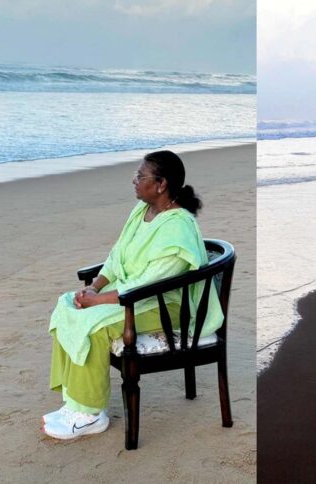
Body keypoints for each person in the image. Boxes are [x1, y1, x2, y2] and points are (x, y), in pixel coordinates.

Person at [44, 150, 223, 440]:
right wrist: (95, 286)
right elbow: (117, 256)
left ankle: (89, 415)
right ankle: (75, 403)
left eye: (141, 176)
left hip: (167, 304)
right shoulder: (142, 211)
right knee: (66, 305)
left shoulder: (177, 227)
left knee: (95, 326)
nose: (134, 181)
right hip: (135, 295)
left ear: (161, 184)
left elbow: (149, 282)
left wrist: (98, 302)